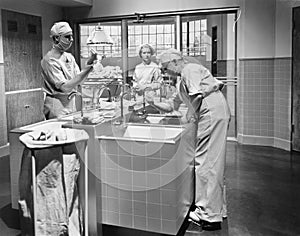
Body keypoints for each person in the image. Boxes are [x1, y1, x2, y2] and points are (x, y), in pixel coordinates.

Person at [147, 48, 231, 231]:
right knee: (213, 162)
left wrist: (189, 118)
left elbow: (196, 96)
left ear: (175, 62)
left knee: (207, 163)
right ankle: (216, 209)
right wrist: (151, 101)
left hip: (211, 115)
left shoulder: (189, 69)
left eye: (165, 67)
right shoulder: (181, 79)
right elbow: (172, 106)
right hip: (213, 114)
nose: (163, 72)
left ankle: (207, 215)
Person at [41, 21, 97, 119]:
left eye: (71, 36)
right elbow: (65, 87)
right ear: (56, 38)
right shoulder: (49, 60)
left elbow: (79, 80)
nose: (71, 40)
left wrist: (90, 63)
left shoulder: (69, 57)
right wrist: (89, 68)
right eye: (67, 37)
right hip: (57, 106)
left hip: (71, 103)